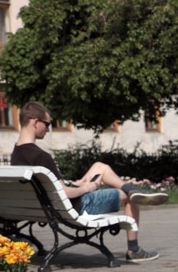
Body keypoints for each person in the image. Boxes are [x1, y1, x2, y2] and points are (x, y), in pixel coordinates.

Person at [11, 101, 167, 262]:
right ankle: (134, 248)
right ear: (35, 122)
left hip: (47, 207)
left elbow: (52, 188)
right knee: (128, 197)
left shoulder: (17, 153)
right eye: (47, 124)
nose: (48, 129)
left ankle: (130, 187)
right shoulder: (41, 156)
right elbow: (62, 192)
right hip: (76, 206)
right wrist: (86, 188)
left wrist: (77, 184)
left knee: (100, 167)